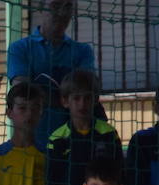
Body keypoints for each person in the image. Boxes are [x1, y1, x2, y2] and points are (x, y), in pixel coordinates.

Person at [7, 0, 97, 149]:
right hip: (33, 142)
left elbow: (86, 90)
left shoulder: (82, 51)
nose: (62, 13)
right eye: (55, 6)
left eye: (67, 7)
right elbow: (23, 92)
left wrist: (39, 94)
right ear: (40, 8)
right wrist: (67, 95)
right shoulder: (20, 48)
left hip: (75, 142)